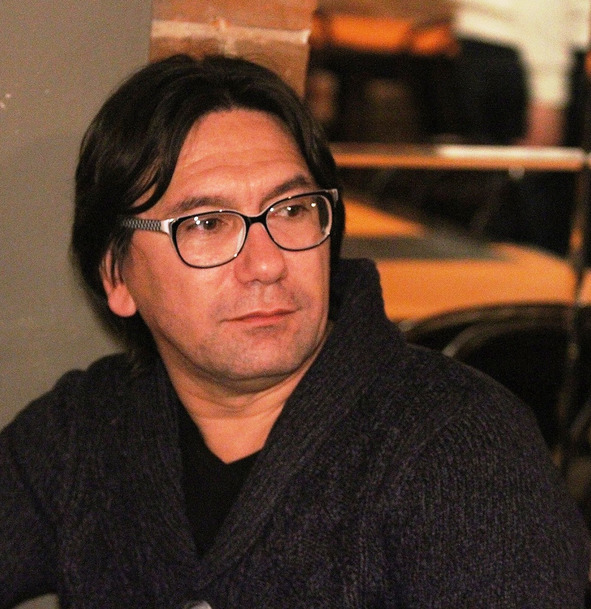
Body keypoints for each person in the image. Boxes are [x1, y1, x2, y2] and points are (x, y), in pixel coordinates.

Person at [0, 53, 588, 609]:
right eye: (206, 223)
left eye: (291, 211)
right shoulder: (87, 431)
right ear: (117, 275)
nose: (266, 263)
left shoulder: (460, 448)